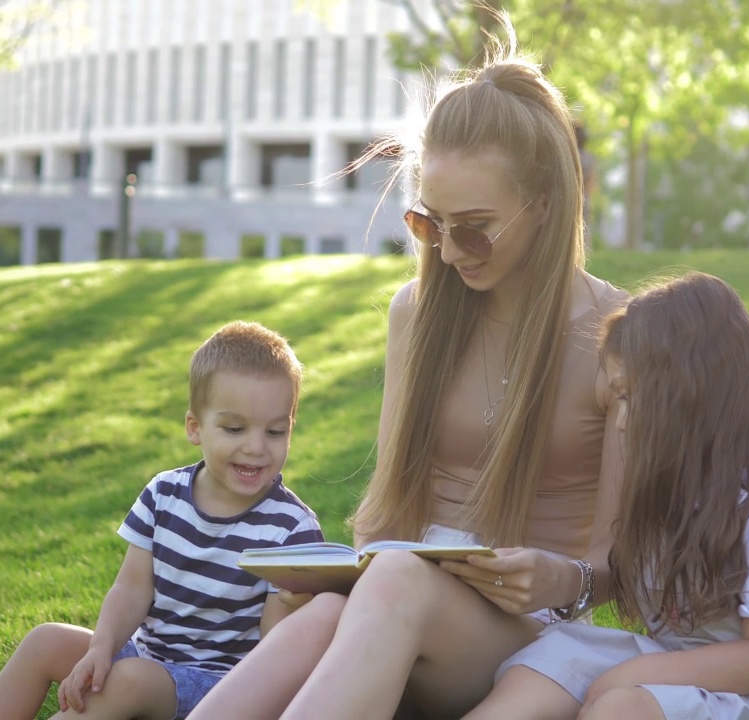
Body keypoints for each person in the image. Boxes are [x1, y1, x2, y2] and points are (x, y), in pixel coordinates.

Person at [190, 22, 630, 720]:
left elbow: (622, 566)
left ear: (543, 205)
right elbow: (391, 506)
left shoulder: (618, 338)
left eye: (476, 226)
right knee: (320, 618)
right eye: (431, 224)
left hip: (536, 638)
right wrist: (340, 575)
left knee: (392, 581)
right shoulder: (417, 312)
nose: (451, 252)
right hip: (403, 601)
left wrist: (561, 577)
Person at [468, 272, 749, 719]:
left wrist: (631, 676)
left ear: (689, 394)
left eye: (629, 397)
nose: (620, 422)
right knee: (553, 661)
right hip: (681, 670)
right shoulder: (680, 491)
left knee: (620, 708)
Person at [0, 321, 325, 720]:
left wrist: (294, 603)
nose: (256, 447)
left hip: (220, 685)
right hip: (146, 653)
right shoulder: (164, 494)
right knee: (46, 640)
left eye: (275, 431)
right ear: (195, 427)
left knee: (132, 680)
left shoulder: (291, 527)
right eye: (235, 428)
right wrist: (101, 649)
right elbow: (131, 588)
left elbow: (277, 654)